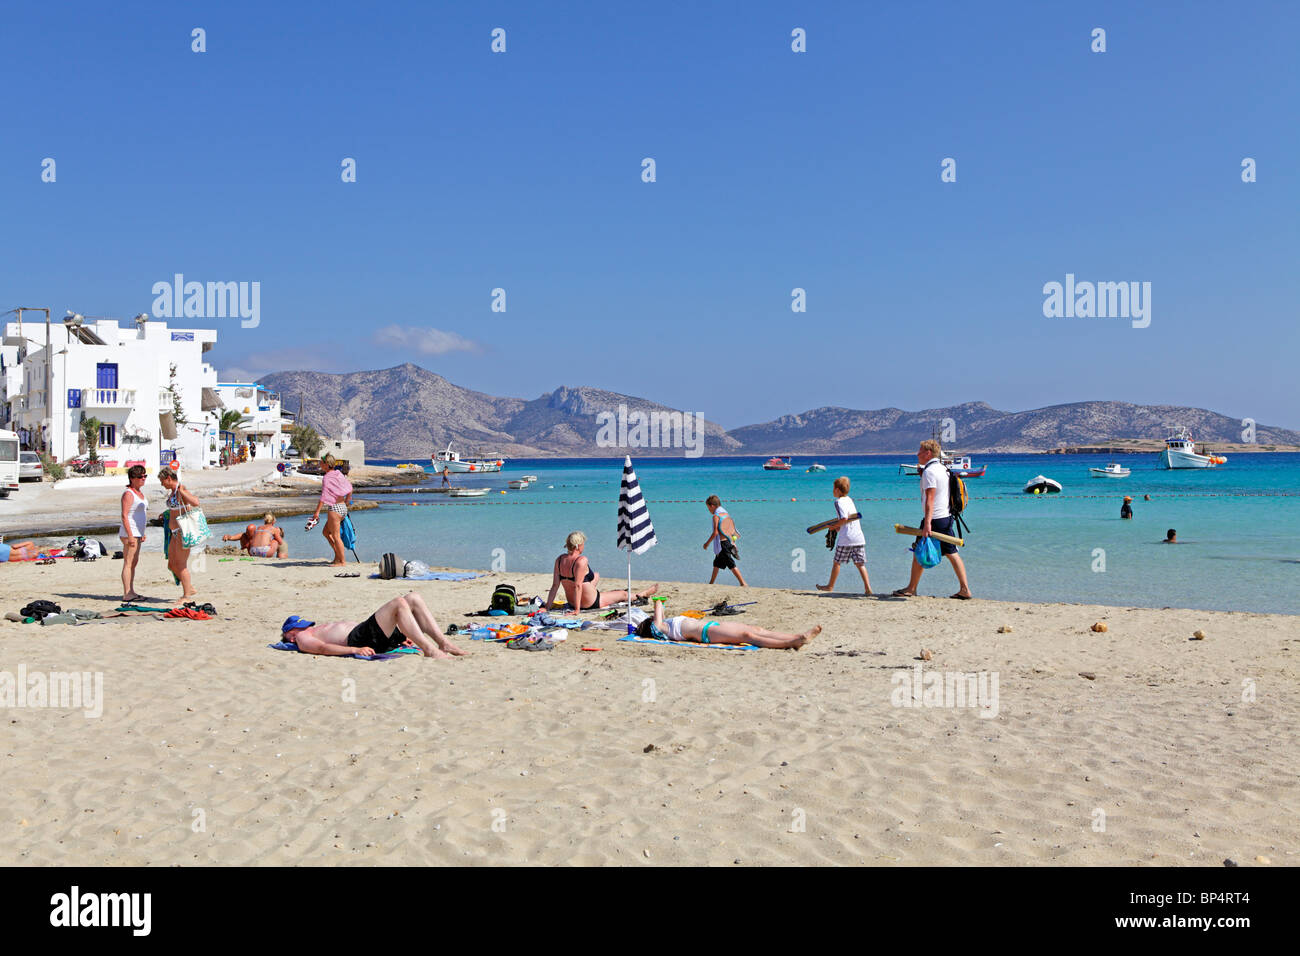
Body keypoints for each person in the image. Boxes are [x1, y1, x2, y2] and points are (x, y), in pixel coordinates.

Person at [893, 439, 973, 599]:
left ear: (928, 453)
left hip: (935, 518)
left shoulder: (930, 472)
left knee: (920, 549)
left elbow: (930, 499)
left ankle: (911, 588)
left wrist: (927, 523)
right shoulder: (943, 469)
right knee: (951, 552)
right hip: (946, 516)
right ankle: (964, 589)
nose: (917, 453)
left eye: (920, 450)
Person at [280, 592, 467, 659]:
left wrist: (399, 638)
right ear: (290, 634)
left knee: (413, 598)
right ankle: (430, 650)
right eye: (300, 626)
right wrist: (355, 649)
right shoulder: (301, 638)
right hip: (359, 639)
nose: (305, 627)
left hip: (367, 633)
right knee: (399, 603)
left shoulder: (310, 631)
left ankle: (443, 643)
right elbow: (322, 649)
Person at [636, 596, 818, 649]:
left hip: (712, 626)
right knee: (749, 636)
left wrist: (661, 605)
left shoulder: (666, 625)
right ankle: (792, 643)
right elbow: (658, 610)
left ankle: (797, 637)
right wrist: (657, 601)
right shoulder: (661, 629)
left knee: (757, 629)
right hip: (707, 634)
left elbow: (661, 613)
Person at [544, 531, 659, 610]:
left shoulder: (559, 560)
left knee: (596, 576)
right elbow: (578, 586)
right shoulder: (581, 560)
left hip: (572, 601)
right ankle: (643, 594)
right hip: (590, 602)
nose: (584, 546)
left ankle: (607, 593)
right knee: (623, 594)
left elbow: (555, 585)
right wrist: (577, 610)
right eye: (583, 544)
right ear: (578, 546)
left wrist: (547, 607)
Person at [817, 476, 871, 595]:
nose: (833, 490)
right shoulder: (849, 500)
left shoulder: (838, 502)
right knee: (860, 564)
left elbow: (844, 518)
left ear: (837, 490)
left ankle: (830, 586)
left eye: (833, 488)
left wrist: (833, 526)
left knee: (837, 562)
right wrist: (838, 526)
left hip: (846, 538)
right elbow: (848, 518)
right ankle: (868, 588)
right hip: (858, 536)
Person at [158, 467, 202, 600]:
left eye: (162, 481)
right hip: (174, 532)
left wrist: (183, 491)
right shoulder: (172, 492)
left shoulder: (180, 489)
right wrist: (165, 514)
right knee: (171, 564)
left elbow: (195, 502)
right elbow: (174, 509)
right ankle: (190, 588)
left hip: (183, 531)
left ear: (168, 479)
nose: (161, 484)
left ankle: (186, 595)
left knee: (181, 564)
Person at [306, 454, 352, 566]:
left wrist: (316, 512)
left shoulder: (327, 477)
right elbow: (350, 488)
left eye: (321, 463)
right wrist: (347, 501)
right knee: (326, 532)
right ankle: (337, 557)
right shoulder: (338, 474)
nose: (320, 465)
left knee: (336, 536)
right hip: (342, 508)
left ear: (326, 464)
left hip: (335, 509)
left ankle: (342, 561)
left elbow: (324, 496)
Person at [118, 464, 149, 601]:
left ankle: (131, 590)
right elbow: (125, 515)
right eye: (140, 476)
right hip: (129, 532)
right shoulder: (128, 494)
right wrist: (130, 535)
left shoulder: (139, 493)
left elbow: (141, 514)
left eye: (144, 476)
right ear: (132, 478)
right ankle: (127, 593)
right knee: (129, 562)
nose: (143, 478)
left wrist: (142, 532)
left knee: (134, 562)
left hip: (138, 532)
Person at [703, 495, 747, 586]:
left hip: (722, 544)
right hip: (727, 542)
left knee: (731, 564)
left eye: (708, 508)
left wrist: (706, 543)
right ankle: (711, 583)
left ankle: (743, 583)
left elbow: (715, 533)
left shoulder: (716, 516)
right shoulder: (725, 514)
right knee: (716, 563)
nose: (709, 510)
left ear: (712, 506)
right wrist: (733, 542)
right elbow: (731, 530)